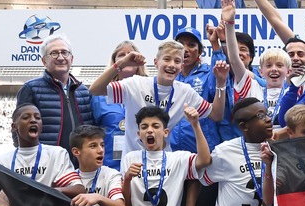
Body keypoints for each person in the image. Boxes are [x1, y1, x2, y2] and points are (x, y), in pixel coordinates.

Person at [89, 40, 228, 157]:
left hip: (163, 164)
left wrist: (221, 83)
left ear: (181, 67)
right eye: (167, 59)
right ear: (156, 62)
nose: (172, 65)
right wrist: (122, 63)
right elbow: (95, 89)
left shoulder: (185, 92)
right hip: (133, 163)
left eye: (177, 61)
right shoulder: (136, 84)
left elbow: (216, 114)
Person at [16, 34, 94, 165]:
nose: (60, 57)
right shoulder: (31, 89)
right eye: (54, 53)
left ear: (72, 58)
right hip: (46, 164)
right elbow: (18, 129)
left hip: (81, 164)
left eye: (64, 52)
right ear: (44, 61)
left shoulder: (84, 91)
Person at [0, 104, 86, 197]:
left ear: (41, 126)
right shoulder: (2, 161)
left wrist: (51, 192)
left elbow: (79, 189)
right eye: (26, 117)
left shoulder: (57, 154)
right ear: (14, 127)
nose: (33, 120)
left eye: (37, 118)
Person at [91, 41, 148, 170]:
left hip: (141, 164)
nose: (127, 58)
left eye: (131, 55)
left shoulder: (148, 89)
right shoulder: (100, 94)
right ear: (114, 62)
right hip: (109, 166)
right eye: (121, 55)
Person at [171, 27, 222, 153]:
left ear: (199, 52)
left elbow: (220, 73)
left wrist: (215, 45)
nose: (185, 49)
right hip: (172, 152)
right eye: (181, 44)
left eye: (191, 45)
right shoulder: (170, 77)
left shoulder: (207, 74)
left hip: (203, 149)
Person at [69, 125, 127, 206]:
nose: (101, 150)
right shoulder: (69, 177)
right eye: (93, 146)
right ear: (76, 152)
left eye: (102, 145)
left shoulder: (111, 175)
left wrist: (99, 198)